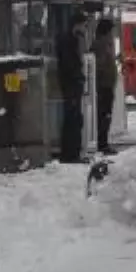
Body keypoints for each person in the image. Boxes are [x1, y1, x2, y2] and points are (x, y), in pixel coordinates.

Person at [56, 9, 88, 163]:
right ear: (77, 25)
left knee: (74, 118)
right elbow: (70, 64)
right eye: (83, 25)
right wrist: (78, 77)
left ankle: (72, 152)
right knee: (72, 119)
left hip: (72, 83)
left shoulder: (73, 38)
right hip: (71, 85)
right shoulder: (68, 40)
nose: (84, 29)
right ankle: (70, 154)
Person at [91, 18, 118, 155]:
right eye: (111, 30)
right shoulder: (100, 44)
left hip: (106, 85)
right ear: (106, 31)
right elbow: (99, 65)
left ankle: (103, 142)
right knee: (104, 115)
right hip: (103, 86)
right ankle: (102, 144)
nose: (113, 33)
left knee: (105, 115)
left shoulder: (105, 43)